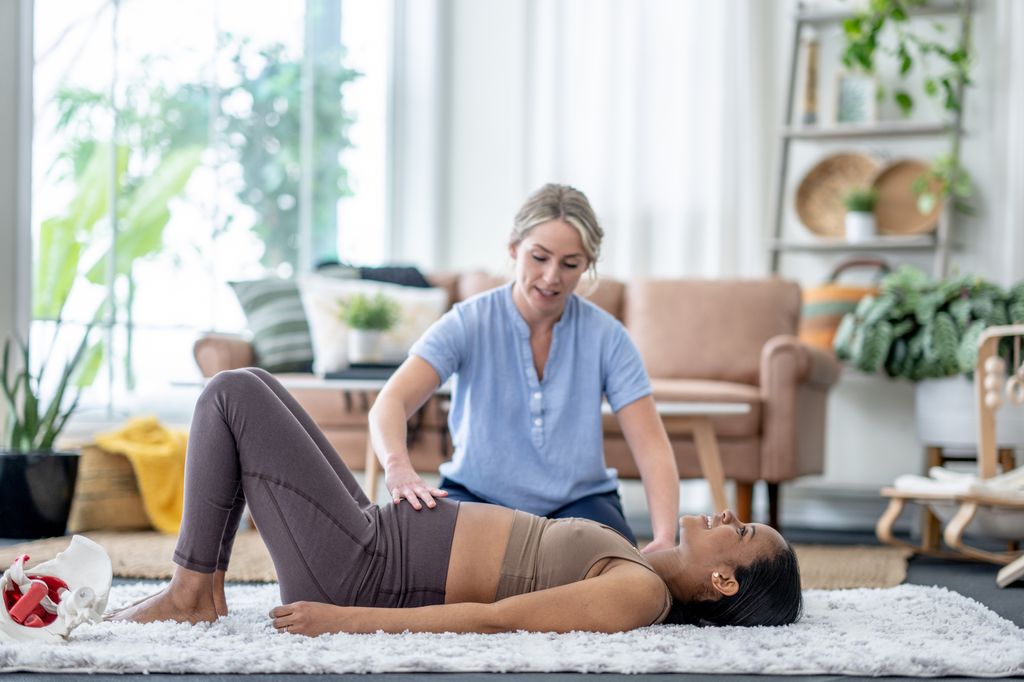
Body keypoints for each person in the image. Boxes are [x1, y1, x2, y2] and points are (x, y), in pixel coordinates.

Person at [109, 369, 802, 634]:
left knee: (231, 396)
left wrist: (341, 622)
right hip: (374, 535)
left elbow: (497, 620)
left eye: (737, 532)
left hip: (361, 571)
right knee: (252, 383)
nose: (724, 515)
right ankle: (197, 584)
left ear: (722, 581)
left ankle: (193, 589)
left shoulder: (639, 595)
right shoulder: (642, 564)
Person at [369, 184, 680, 550]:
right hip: (477, 497)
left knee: (625, 586)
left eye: (570, 264)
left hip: (581, 504)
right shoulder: (468, 321)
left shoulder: (608, 337)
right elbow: (391, 401)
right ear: (514, 247)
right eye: (539, 257)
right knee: (427, 567)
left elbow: (651, 446)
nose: (552, 277)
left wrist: (664, 537)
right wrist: (397, 466)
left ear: (587, 265)